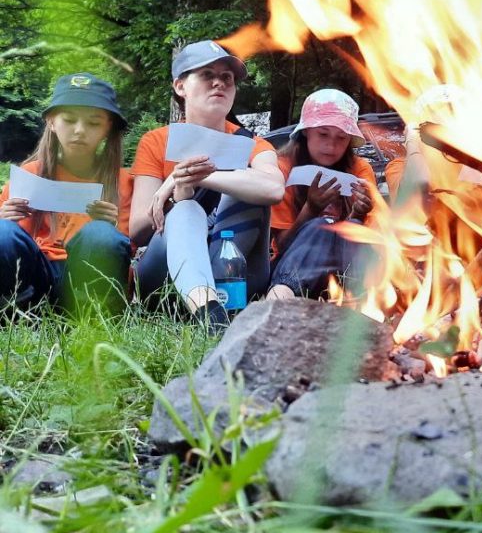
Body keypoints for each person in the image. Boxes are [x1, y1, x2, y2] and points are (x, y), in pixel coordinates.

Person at [129, 41, 284, 330]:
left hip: (236, 273)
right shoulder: (156, 141)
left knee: (251, 186)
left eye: (227, 77)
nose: (219, 83)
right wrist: (177, 195)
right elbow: (137, 230)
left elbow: (274, 189)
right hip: (166, 281)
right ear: (180, 86)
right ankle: (207, 310)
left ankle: (212, 310)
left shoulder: (253, 144)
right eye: (206, 74)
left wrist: (196, 176)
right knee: (186, 208)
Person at [0, 73, 132, 314]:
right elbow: (11, 244)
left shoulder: (124, 181)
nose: (79, 131)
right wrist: (6, 218)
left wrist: (111, 226)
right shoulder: (29, 174)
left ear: (108, 128)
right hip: (36, 279)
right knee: (3, 232)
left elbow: (131, 255)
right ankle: (16, 313)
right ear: (51, 121)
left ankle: (91, 316)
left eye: (93, 123)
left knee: (102, 234)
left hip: (88, 280)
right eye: (69, 120)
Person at [267, 89, 377, 299]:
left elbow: (371, 243)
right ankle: (278, 302)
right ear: (306, 131)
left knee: (352, 227)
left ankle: (359, 305)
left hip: (346, 273)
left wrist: (358, 214)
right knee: (320, 225)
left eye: (342, 138)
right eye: (323, 134)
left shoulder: (360, 169)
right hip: (293, 271)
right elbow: (280, 247)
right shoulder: (282, 167)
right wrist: (311, 209)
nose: (331, 145)